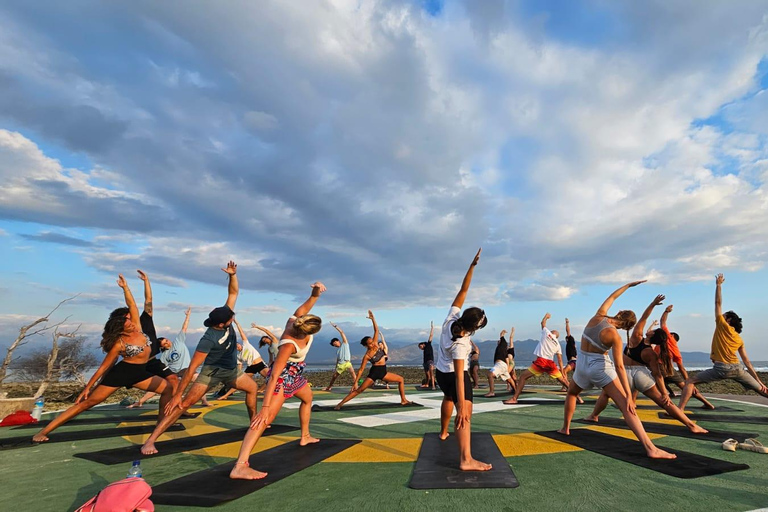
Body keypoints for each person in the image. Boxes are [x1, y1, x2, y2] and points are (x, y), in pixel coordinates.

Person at [33, 275, 173, 442]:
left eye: (129, 322)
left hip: (140, 372)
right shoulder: (119, 344)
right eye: (127, 324)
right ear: (121, 331)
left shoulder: (138, 327)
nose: (131, 323)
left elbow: (132, 305)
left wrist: (125, 288)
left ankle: (160, 424)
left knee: (168, 388)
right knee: (87, 403)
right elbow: (103, 367)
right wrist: (88, 388)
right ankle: (43, 432)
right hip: (121, 373)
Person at [140, 261, 260, 455]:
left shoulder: (224, 318)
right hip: (211, 373)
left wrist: (232, 276)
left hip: (231, 371)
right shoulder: (207, 340)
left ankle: (254, 422)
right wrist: (178, 394)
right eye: (230, 320)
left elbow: (233, 293)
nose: (233, 320)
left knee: (252, 388)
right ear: (221, 324)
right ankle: (151, 441)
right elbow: (192, 367)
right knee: (184, 404)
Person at [557, 280, 676, 459]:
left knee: (572, 393)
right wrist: (628, 395)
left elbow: (612, 296)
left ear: (619, 313)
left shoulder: (597, 316)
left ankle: (565, 428)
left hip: (581, 364)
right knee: (626, 407)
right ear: (627, 327)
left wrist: (628, 285)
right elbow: (620, 366)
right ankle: (651, 448)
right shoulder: (615, 337)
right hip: (599, 367)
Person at [229, 282, 327, 480]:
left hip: (296, 375)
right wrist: (264, 406)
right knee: (264, 420)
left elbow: (311, 301)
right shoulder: (288, 344)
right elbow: (274, 375)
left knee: (308, 398)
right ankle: (240, 465)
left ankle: (305, 436)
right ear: (309, 331)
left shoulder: (298, 319)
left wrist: (316, 291)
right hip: (281, 379)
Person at [584, 294, 707, 434]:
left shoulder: (636, 336)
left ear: (652, 334)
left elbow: (644, 317)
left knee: (605, 394)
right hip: (642, 375)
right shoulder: (652, 354)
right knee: (663, 402)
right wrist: (664, 393)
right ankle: (691, 425)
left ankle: (594, 416)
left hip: (625, 373)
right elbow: (658, 375)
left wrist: (653, 304)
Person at [435, 248, 491, 471]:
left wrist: (472, 265)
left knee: (448, 399)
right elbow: (460, 375)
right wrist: (464, 407)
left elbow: (463, 289)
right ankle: (466, 459)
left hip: (441, 372)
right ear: (473, 328)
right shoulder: (461, 344)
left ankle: (443, 432)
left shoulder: (451, 319)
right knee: (464, 414)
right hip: (453, 374)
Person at [679, 274, 768, 409]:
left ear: (728, 320)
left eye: (724, 316)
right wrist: (759, 381)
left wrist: (718, 285)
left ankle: (679, 410)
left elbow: (717, 303)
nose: (720, 316)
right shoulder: (739, 338)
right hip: (738, 368)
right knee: (761, 390)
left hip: (722, 368)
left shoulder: (722, 326)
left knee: (690, 381)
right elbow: (747, 362)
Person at [333, 311, 412, 409]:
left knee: (401, 379)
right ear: (366, 346)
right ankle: (340, 404)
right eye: (370, 343)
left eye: (372, 341)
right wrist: (355, 383)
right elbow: (361, 369)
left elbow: (376, 330)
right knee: (359, 390)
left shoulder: (375, 344)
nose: (373, 344)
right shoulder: (367, 356)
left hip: (383, 372)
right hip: (374, 373)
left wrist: (373, 319)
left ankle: (403, 400)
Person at [128, 306, 193, 409]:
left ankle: (203, 401)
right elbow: (161, 368)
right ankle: (140, 401)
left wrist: (188, 316)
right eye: (164, 343)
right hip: (174, 371)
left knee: (198, 380)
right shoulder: (164, 355)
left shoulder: (178, 341)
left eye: (167, 340)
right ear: (162, 347)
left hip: (185, 369)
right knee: (162, 384)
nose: (167, 342)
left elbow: (184, 327)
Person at [655, 305, 714, 408]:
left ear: (671, 336)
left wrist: (666, 311)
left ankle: (632, 401)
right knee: (684, 387)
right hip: (670, 369)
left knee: (645, 383)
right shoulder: (676, 350)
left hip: (660, 367)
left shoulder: (668, 338)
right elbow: (681, 367)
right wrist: (689, 382)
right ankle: (707, 404)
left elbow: (663, 322)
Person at [504, 313, 570, 405]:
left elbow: (542, 323)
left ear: (552, 333)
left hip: (541, 361)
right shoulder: (558, 344)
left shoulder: (547, 333)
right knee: (564, 381)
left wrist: (546, 317)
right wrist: (562, 372)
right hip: (550, 363)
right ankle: (578, 397)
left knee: (523, 377)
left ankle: (515, 398)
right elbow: (560, 360)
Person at [218, 319, 270, 400]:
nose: (237, 346)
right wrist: (238, 374)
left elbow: (241, 333)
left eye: (237, 344)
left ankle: (267, 394)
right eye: (235, 346)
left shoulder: (246, 344)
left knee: (271, 378)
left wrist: (237, 323)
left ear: (239, 344)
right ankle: (225, 395)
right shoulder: (239, 356)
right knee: (239, 382)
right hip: (251, 367)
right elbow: (240, 366)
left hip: (260, 364)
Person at [324, 323, 358, 392]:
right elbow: (338, 359)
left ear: (338, 341)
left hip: (347, 362)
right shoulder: (338, 351)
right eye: (333, 345)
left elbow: (342, 332)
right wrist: (336, 366)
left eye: (335, 343)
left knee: (353, 374)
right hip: (341, 364)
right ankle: (329, 387)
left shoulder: (345, 344)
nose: (335, 345)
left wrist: (336, 326)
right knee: (334, 377)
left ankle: (356, 387)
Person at [483, 329, 516, 397]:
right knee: (509, 379)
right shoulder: (503, 351)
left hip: (500, 365)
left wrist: (502, 335)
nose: (498, 341)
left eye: (499, 341)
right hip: (503, 365)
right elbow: (506, 359)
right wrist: (506, 368)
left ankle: (491, 392)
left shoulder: (502, 346)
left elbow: (503, 339)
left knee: (490, 375)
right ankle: (516, 390)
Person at [417, 321, 435, 390]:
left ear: (423, 344)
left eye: (420, 346)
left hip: (430, 361)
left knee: (431, 373)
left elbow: (431, 335)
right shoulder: (424, 350)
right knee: (427, 375)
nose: (420, 348)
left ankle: (433, 385)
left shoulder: (428, 344)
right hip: (425, 362)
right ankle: (427, 384)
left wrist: (432, 328)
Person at [562, 318, 577, 384]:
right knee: (577, 376)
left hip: (572, 361)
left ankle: (566, 386)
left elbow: (568, 331)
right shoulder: (572, 347)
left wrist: (567, 323)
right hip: (574, 361)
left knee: (564, 371)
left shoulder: (570, 342)